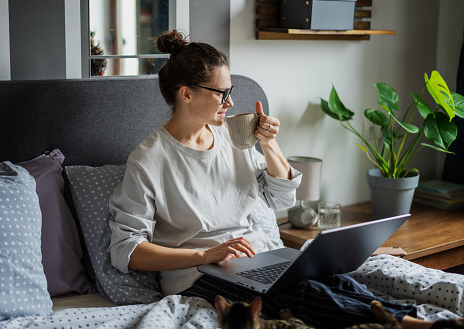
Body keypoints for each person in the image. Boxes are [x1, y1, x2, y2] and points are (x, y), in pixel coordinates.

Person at [108, 30, 460, 329]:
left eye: (230, 92)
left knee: (332, 279)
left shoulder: (234, 137)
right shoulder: (149, 159)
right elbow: (127, 250)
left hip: (259, 259)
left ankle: (410, 319)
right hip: (198, 277)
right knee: (305, 294)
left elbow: (279, 201)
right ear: (186, 94)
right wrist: (205, 253)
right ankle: (422, 325)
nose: (230, 103)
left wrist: (270, 144)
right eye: (222, 93)